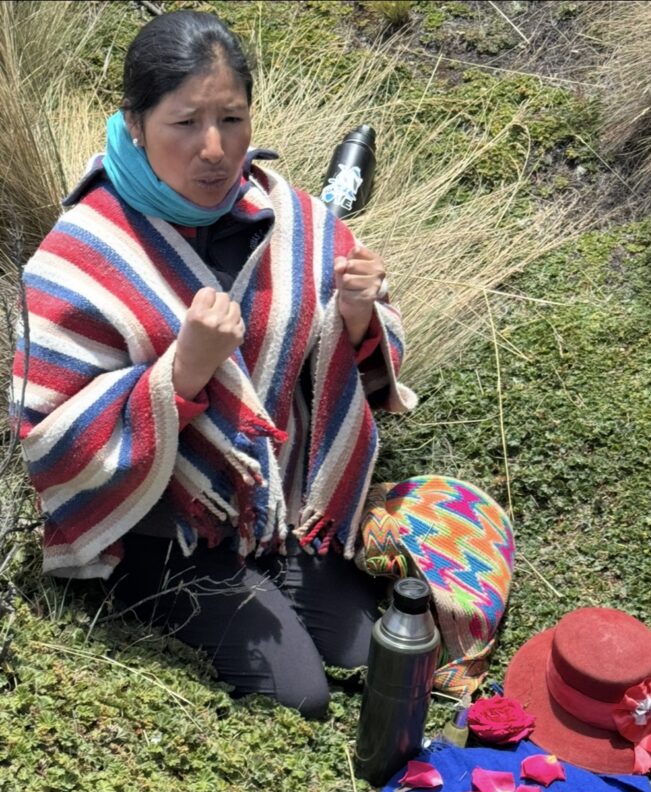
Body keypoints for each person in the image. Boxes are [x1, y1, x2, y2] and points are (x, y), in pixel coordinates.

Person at [9, 10, 416, 718]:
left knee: (377, 648)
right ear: (134, 123)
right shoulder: (79, 256)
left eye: (231, 119)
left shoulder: (293, 222)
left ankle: (273, 564)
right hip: (155, 526)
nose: (214, 148)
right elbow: (51, 441)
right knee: (303, 696)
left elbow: (346, 362)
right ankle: (162, 594)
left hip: (273, 506)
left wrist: (357, 316)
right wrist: (180, 375)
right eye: (185, 122)